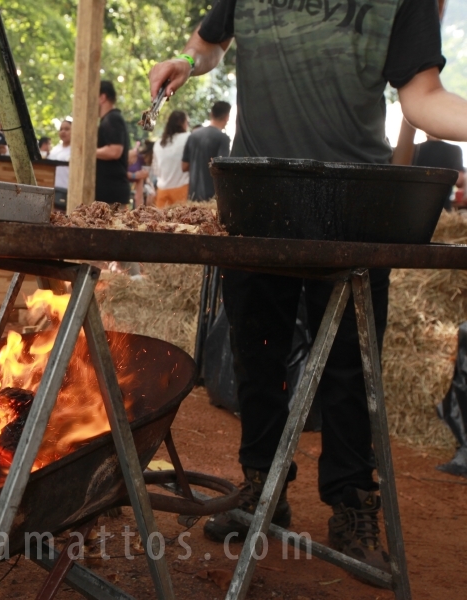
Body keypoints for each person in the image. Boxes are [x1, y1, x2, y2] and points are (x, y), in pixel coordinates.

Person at [148, 0, 467, 575]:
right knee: (256, 353)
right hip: (256, 192)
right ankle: (261, 490)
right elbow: (210, 45)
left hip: (355, 199)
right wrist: (187, 62)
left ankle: (352, 503)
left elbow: (421, 98)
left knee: (351, 363)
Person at [181, 101, 230, 201]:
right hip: (212, 198)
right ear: (226, 117)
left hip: (192, 197)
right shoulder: (223, 138)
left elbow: (184, 166)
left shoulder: (193, 136)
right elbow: (222, 168)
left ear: (211, 114)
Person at [95, 80, 131, 204]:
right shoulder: (107, 120)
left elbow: (115, 151)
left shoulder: (113, 118)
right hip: (107, 194)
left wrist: (87, 152)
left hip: (112, 196)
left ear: (102, 97)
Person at [412, 135, 466, 211]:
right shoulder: (454, 150)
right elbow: (459, 180)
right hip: (442, 209)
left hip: (414, 207)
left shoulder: (413, 149)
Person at [151, 110, 191, 207]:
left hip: (162, 192)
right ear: (183, 123)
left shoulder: (158, 143)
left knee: (160, 222)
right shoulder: (188, 137)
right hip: (183, 191)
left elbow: (156, 171)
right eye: (187, 122)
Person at [47, 119, 72, 210]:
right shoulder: (55, 149)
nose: (63, 132)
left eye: (67, 129)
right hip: (52, 190)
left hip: (67, 191)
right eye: (61, 129)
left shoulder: (76, 150)